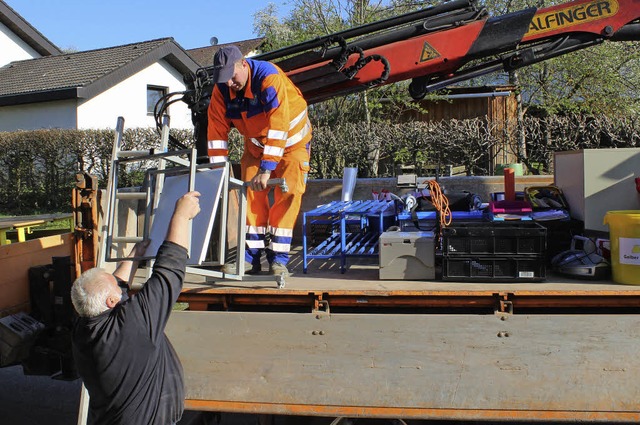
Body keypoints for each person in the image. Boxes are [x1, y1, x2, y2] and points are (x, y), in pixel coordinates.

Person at [71, 191, 201, 425]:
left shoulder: (84, 326)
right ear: (111, 303)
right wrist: (181, 217)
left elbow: (117, 286)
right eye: (117, 290)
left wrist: (133, 257)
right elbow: (169, 271)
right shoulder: (133, 324)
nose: (123, 289)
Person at [207, 44, 312, 277]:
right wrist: (219, 174)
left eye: (232, 77)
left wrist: (267, 168)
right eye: (223, 79)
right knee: (251, 199)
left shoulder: (269, 78)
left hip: (292, 146)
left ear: (243, 64)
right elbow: (216, 134)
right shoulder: (221, 90)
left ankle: (279, 260)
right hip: (256, 148)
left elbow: (278, 126)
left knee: (288, 196)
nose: (229, 84)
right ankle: (249, 258)